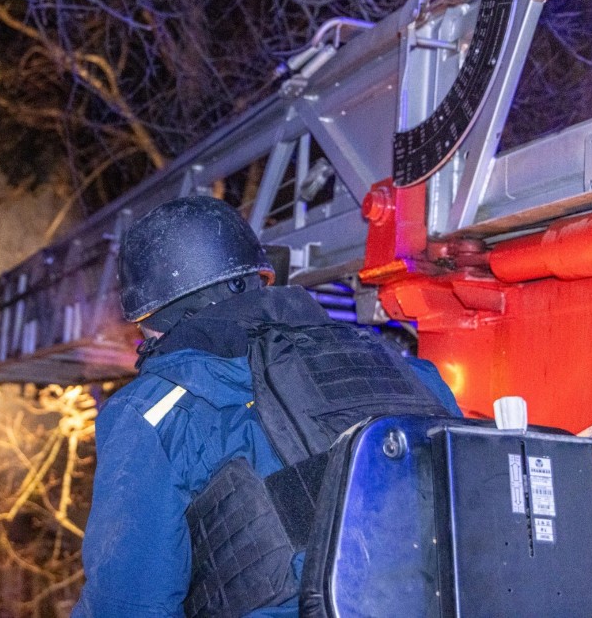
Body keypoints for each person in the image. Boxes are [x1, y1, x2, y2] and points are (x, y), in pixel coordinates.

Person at [72, 196, 460, 618]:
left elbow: (127, 603)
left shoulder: (152, 410)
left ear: (154, 313)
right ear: (257, 278)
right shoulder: (412, 372)